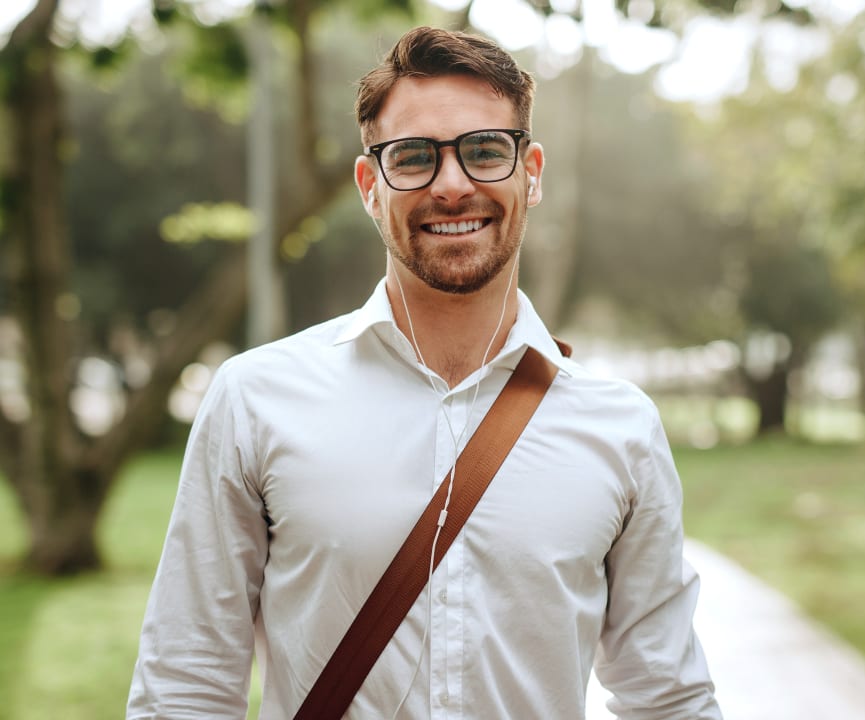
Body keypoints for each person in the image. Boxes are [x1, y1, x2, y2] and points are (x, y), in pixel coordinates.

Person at [127, 26, 722, 720]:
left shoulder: (620, 427)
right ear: (369, 186)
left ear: (531, 174)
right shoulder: (255, 399)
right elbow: (185, 687)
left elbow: (669, 699)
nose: (452, 185)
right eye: (412, 158)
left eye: (484, 152)